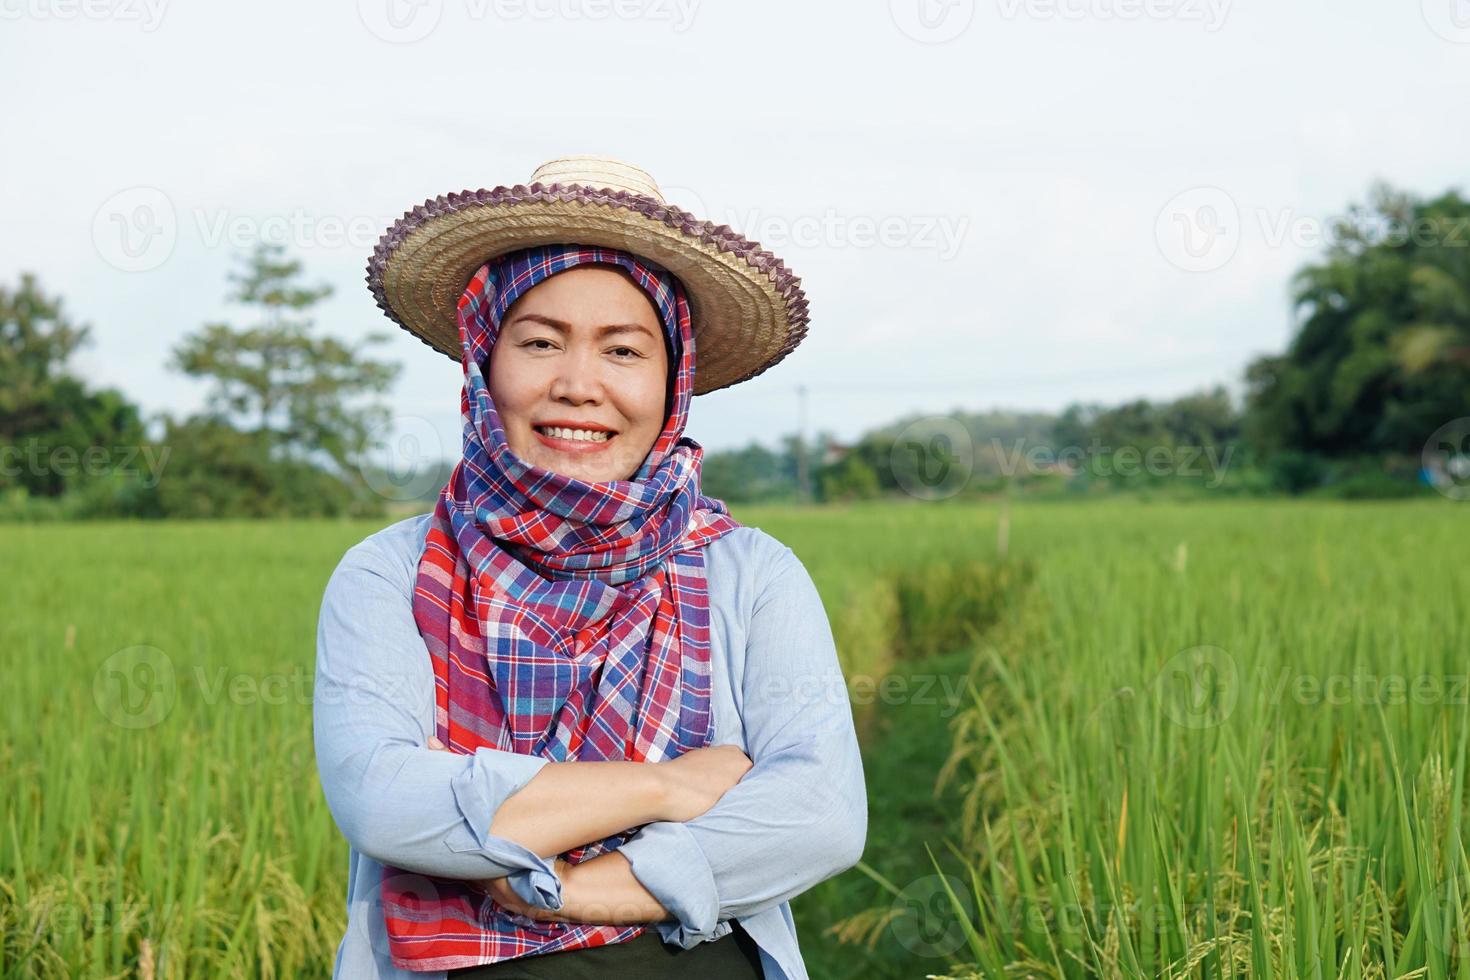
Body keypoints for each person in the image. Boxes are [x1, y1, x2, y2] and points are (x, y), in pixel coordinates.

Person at [314, 156, 867, 980]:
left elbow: (821, 815)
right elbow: (386, 801)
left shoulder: (749, 573)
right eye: (539, 342)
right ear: (482, 364)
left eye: (622, 351)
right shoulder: (389, 573)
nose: (578, 385)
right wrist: (667, 789)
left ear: (671, 381)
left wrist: (569, 889)